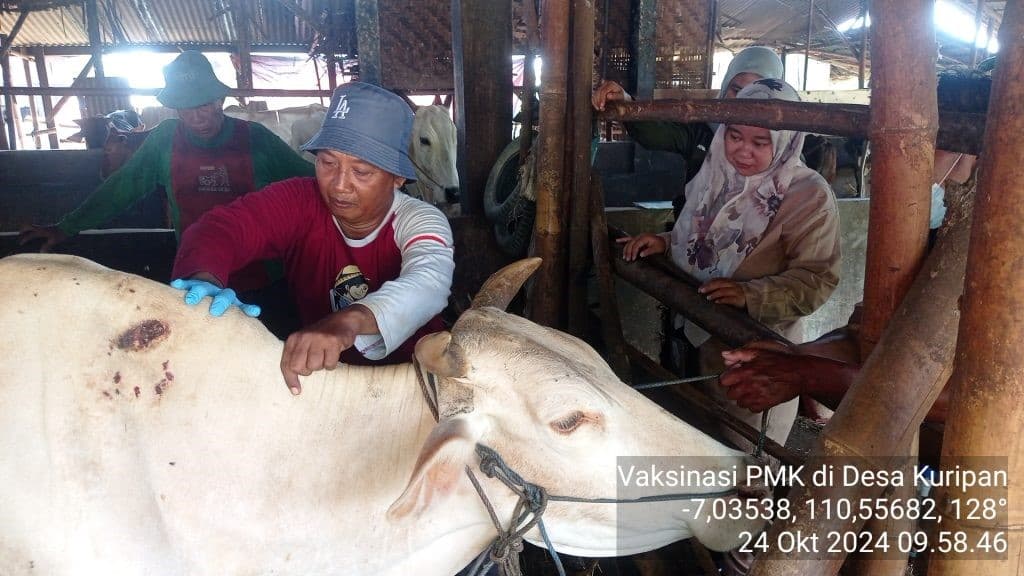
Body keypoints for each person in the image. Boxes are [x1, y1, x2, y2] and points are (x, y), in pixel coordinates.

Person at [169, 82, 455, 395]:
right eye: (328, 162)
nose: (339, 185)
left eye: (361, 171)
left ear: (398, 177)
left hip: (413, 385)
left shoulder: (420, 219)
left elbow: (428, 283)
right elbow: (221, 229)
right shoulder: (298, 200)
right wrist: (203, 277)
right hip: (324, 384)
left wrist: (347, 322)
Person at [617, 78, 841, 449]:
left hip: (752, 356)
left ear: (787, 141)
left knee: (744, 457)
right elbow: (701, 237)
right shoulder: (716, 174)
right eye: (735, 136)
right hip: (690, 337)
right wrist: (666, 242)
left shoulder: (808, 196)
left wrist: (749, 295)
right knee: (692, 439)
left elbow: (816, 279)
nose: (742, 151)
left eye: (760, 142)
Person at [18, 50, 315, 286]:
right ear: (174, 108)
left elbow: (310, 183)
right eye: (186, 108)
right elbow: (121, 188)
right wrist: (66, 227)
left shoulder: (255, 138)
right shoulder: (164, 140)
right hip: (195, 277)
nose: (196, 117)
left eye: (203, 106)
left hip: (264, 277)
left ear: (220, 101)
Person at [592, 46, 785, 185]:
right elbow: (654, 135)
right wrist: (627, 103)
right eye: (736, 90)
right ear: (725, 87)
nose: (744, 101)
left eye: (755, 93)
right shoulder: (703, 130)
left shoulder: (787, 150)